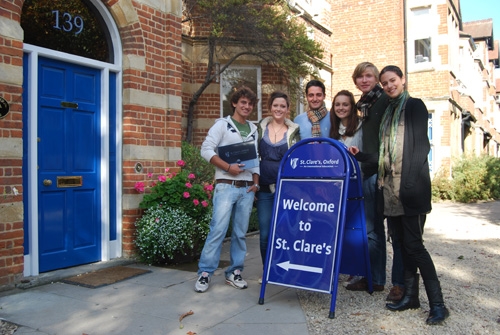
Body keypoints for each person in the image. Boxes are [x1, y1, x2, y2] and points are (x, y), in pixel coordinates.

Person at [378, 65, 449, 325]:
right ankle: (411, 297)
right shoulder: (389, 112)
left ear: (402, 80)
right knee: (402, 246)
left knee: (415, 247)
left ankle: (439, 305)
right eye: (384, 83)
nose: (389, 86)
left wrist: (407, 186)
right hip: (390, 191)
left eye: (392, 80)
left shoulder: (415, 106)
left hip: (409, 190)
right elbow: (384, 154)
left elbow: (421, 148)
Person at [195, 86, 260, 293]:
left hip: (247, 188)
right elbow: (205, 149)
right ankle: (205, 273)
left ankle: (235, 272)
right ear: (234, 103)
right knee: (218, 230)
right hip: (226, 186)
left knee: (240, 233)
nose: (246, 106)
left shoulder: (253, 129)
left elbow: (256, 159)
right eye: (243, 102)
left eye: (250, 104)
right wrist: (227, 167)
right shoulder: (222, 125)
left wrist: (256, 182)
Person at [346, 62, 391, 294]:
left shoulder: (382, 101)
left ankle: (375, 279)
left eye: (368, 76)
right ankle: (374, 276)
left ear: (376, 79)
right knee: (371, 229)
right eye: (360, 77)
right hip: (368, 169)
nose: (364, 80)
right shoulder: (367, 105)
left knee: (372, 229)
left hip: (376, 172)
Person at [256, 91, 300, 279]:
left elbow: (297, 161)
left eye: (283, 106)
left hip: (286, 191)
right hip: (264, 190)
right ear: (270, 107)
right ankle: (268, 271)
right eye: (276, 105)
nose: (279, 109)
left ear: (287, 109)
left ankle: (284, 269)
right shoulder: (259, 129)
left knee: (286, 233)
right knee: (265, 234)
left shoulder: (294, 132)